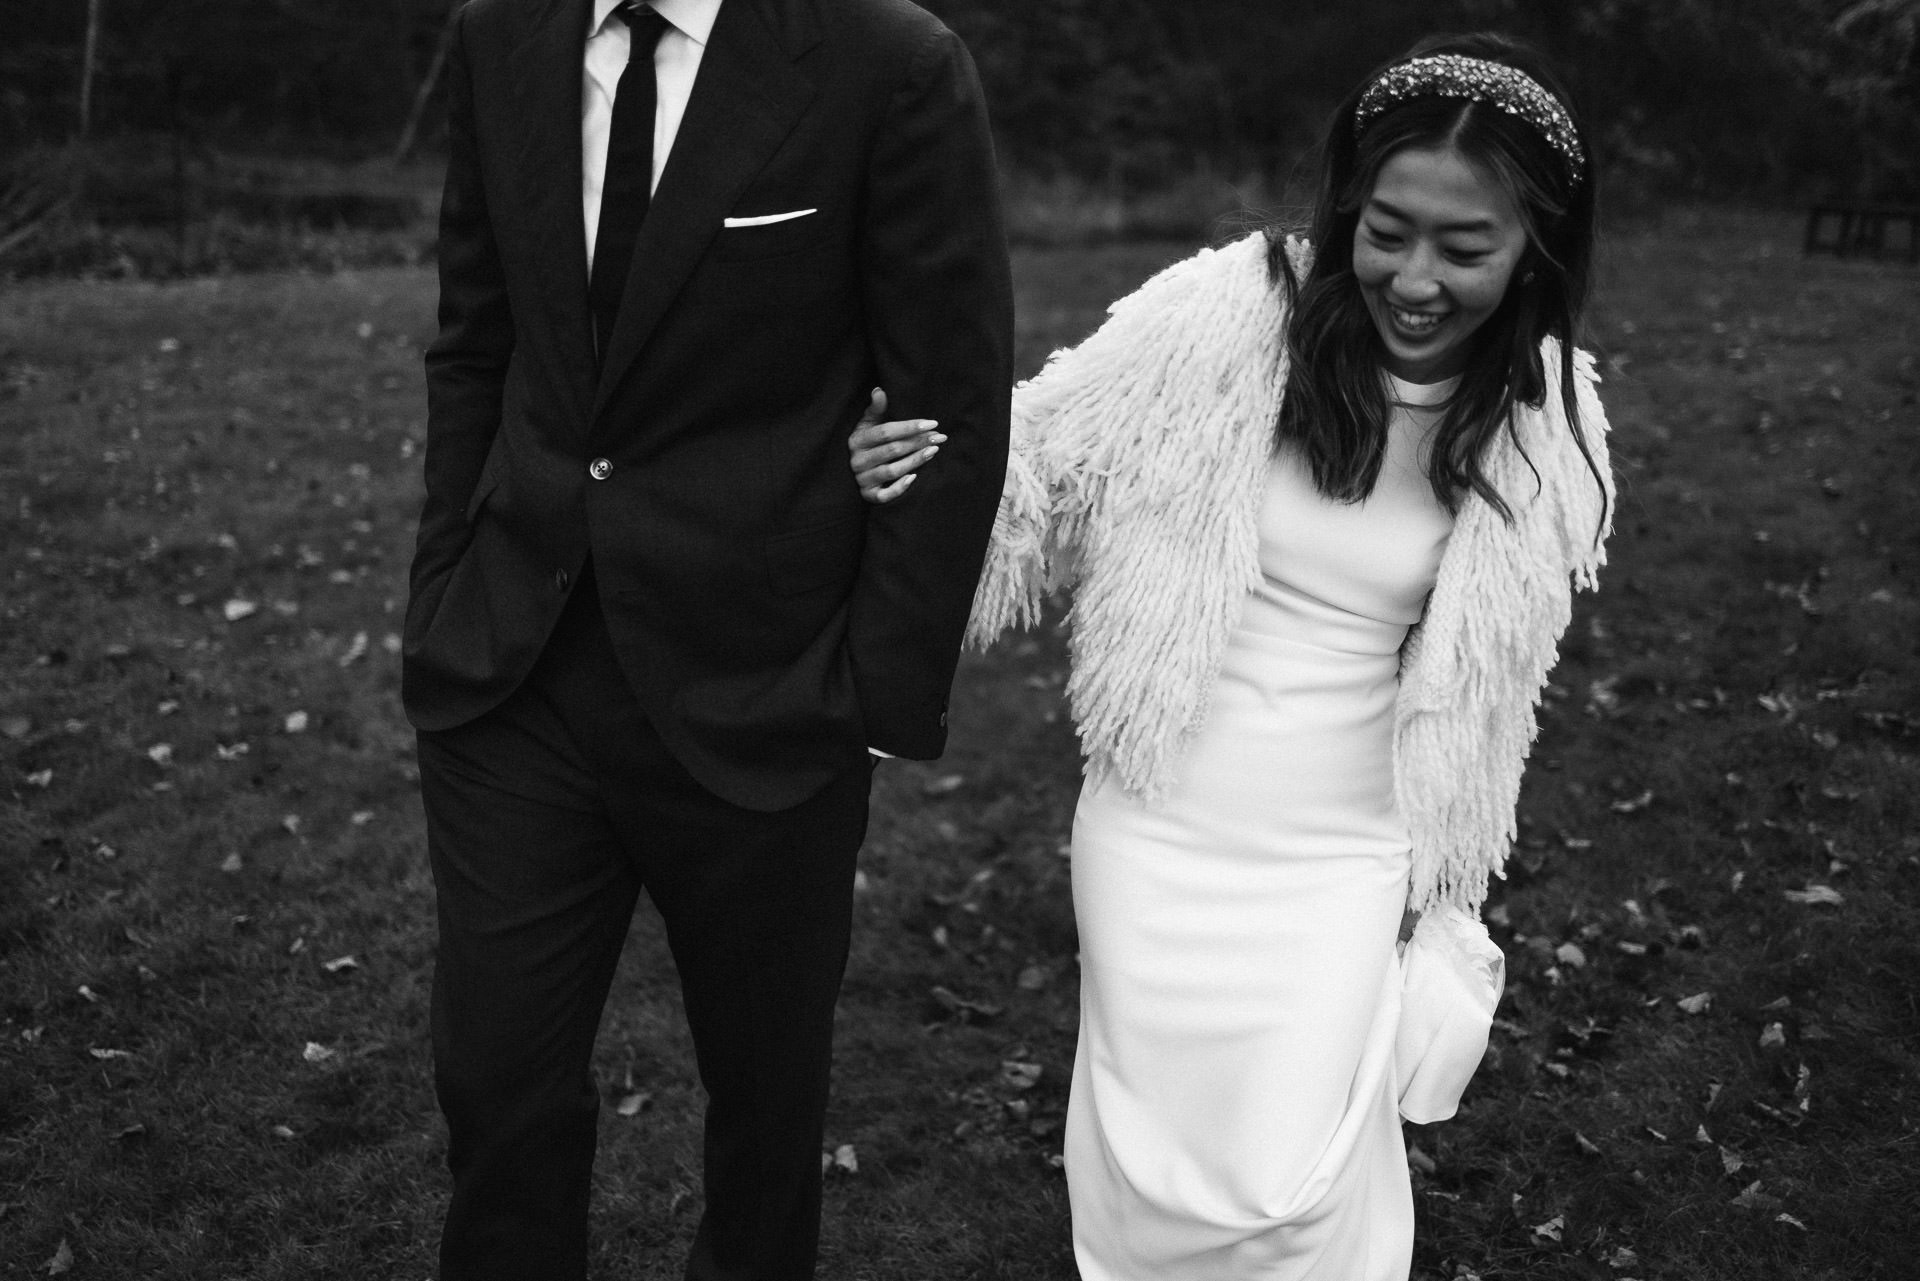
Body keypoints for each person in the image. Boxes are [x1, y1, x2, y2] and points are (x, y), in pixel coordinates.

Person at [850, 32, 1612, 1280]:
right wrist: (911, 467)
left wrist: (1446, 879)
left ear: (1539, 248)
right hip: (1161, 823)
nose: (1415, 278)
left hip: (1343, 848)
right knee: (1160, 1163)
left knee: (1292, 1178)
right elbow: (1036, 458)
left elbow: (1487, 690)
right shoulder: (1236, 312)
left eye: (1465, 248)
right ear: (1348, 208)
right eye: (1387, 232)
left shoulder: (1543, 420)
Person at [401, 0, 1012, 1276]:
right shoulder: (500, 34)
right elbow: (475, 339)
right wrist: (443, 586)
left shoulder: (890, 64)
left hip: (766, 683)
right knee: (497, 1088)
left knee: (765, 1111)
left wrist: (872, 690)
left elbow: (950, 401)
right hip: (516, 670)